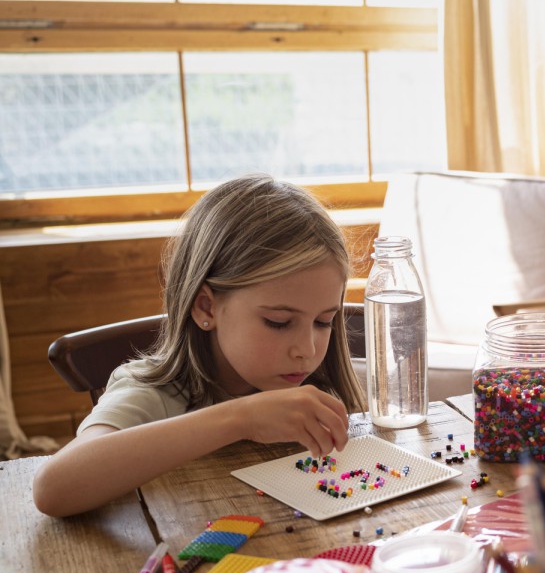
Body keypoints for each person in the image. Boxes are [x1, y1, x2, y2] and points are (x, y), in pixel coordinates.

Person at [33, 173, 366, 518]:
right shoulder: (155, 394)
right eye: (278, 323)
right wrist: (242, 419)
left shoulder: (317, 392)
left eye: (323, 321)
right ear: (206, 307)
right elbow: (52, 489)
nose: (307, 350)